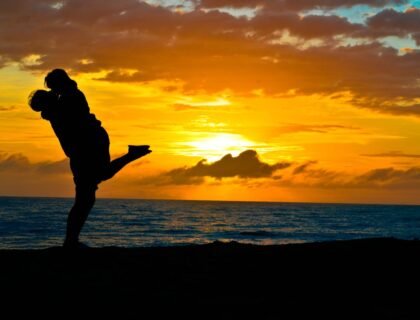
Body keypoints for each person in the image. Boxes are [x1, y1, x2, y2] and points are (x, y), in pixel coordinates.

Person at [29, 69, 151, 248]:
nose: (52, 90)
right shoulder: (62, 101)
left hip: (87, 147)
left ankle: (71, 241)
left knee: (86, 195)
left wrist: (54, 95)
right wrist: (54, 94)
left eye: (53, 87)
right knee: (93, 186)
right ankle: (131, 154)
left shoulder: (66, 100)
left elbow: (57, 109)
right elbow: (49, 107)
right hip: (88, 145)